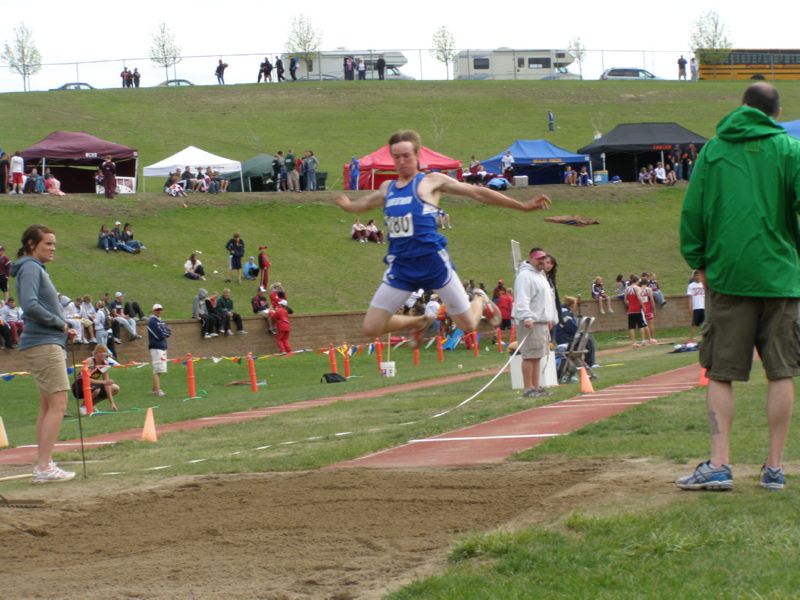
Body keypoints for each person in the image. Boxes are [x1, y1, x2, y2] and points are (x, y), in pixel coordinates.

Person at [677, 82, 800, 492]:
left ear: (742, 107)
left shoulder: (713, 150)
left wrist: (699, 262)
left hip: (728, 276)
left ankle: (719, 463)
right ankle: (775, 468)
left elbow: (693, 210)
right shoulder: (789, 150)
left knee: (720, 373)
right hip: (780, 277)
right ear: (775, 113)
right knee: (781, 372)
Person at [335, 129, 551, 346]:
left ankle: (479, 299)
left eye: (406, 156)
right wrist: (349, 206)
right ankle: (419, 321)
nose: (401, 161)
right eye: (396, 157)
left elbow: (478, 193)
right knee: (371, 327)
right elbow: (366, 203)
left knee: (468, 325)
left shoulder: (431, 182)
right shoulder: (387, 189)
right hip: (401, 267)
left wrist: (522, 206)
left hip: (434, 264)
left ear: (417, 156)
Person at [10, 225, 76, 482]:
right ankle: (44, 466)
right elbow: (30, 305)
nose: (52, 248)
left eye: (54, 244)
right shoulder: (29, 268)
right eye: (47, 243)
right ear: (31, 244)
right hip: (44, 342)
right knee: (58, 404)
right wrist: (60, 324)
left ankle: (44, 462)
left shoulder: (33, 268)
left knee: (48, 405)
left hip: (46, 341)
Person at [513, 248, 558, 398]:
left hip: (541, 321)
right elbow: (522, 298)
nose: (542, 261)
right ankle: (528, 388)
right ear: (531, 259)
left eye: (543, 258)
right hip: (531, 321)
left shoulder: (541, 275)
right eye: (538, 258)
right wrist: (526, 317)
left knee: (538, 355)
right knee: (529, 355)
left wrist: (549, 318)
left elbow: (546, 299)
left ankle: (537, 386)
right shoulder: (525, 275)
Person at [73, 344, 120, 414]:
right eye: (100, 352)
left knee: (115, 388)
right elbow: (86, 379)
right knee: (96, 390)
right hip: (79, 386)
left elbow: (106, 383)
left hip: (93, 384)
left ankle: (92, 405)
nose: (103, 354)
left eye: (104, 352)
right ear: (95, 353)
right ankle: (83, 407)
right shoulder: (90, 361)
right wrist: (104, 382)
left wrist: (112, 403)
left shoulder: (105, 364)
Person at [147, 303, 171, 397]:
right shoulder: (152, 322)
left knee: (159, 370)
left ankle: (154, 389)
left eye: (160, 309)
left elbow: (168, 332)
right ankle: (157, 391)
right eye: (157, 310)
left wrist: (164, 332)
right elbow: (159, 335)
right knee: (157, 370)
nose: (159, 311)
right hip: (157, 347)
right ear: (153, 310)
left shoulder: (160, 321)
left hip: (162, 347)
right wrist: (164, 332)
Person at [624, 275, 647, 347]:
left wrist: (630, 304)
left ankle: (634, 343)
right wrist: (643, 307)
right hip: (637, 309)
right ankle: (643, 341)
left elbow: (625, 300)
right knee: (641, 326)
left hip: (630, 310)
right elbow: (639, 298)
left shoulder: (627, 289)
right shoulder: (637, 288)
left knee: (631, 327)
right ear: (636, 281)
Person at [686, 269, 705, 342]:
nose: (697, 276)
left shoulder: (704, 284)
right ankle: (691, 339)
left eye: (699, 275)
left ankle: (704, 338)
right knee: (694, 324)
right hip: (696, 307)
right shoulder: (691, 286)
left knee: (704, 324)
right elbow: (690, 297)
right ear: (693, 276)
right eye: (696, 275)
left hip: (704, 307)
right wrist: (690, 307)